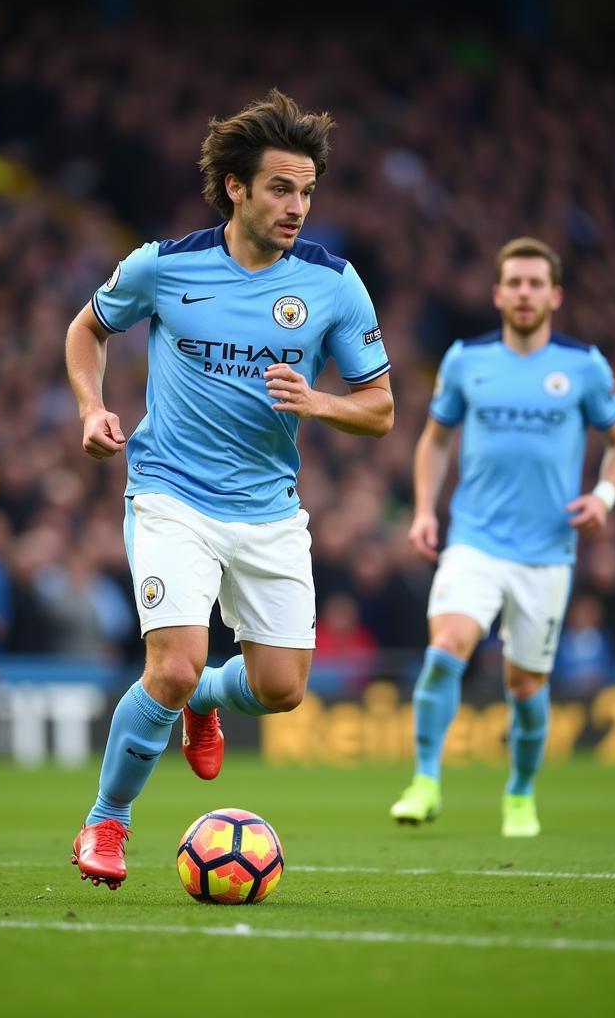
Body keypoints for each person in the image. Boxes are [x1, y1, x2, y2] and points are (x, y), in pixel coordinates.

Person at [65, 89, 393, 889]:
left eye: (308, 191)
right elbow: (87, 331)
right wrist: (92, 408)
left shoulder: (333, 284)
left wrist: (321, 401)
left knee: (281, 690)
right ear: (237, 187)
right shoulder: (162, 267)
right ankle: (108, 821)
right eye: (282, 188)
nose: (298, 206)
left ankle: (208, 699)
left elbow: (380, 408)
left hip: (269, 509)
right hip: (171, 493)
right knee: (169, 667)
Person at [390, 237, 615, 837]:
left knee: (525, 684)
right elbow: (435, 439)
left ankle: (521, 792)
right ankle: (425, 780)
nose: (524, 293)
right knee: (446, 645)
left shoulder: (583, 366)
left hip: (547, 550)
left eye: (535, 284)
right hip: (474, 539)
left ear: (554, 295)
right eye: (514, 283)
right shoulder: (464, 360)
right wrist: (425, 511)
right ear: (498, 293)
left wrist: (604, 497)